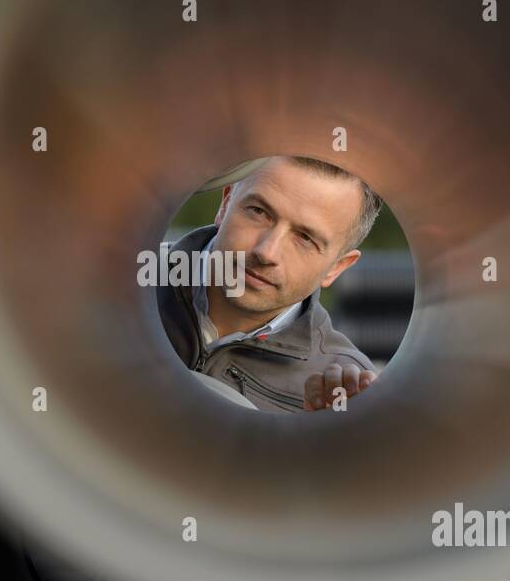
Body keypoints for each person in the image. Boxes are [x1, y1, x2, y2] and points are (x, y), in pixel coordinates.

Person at [156, 155, 381, 412]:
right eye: (259, 212)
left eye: (305, 238)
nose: (267, 252)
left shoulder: (344, 396)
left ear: (337, 267)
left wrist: (310, 448)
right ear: (226, 202)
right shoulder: (118, 286)